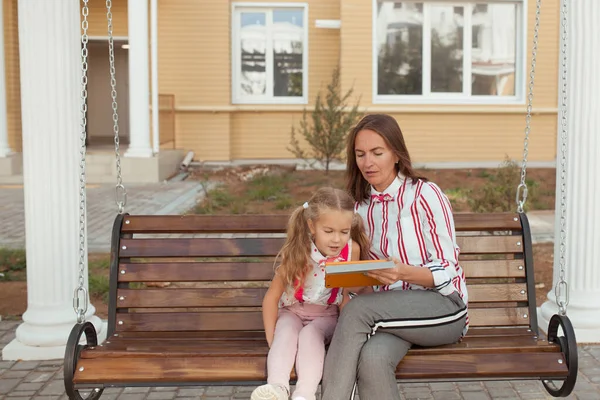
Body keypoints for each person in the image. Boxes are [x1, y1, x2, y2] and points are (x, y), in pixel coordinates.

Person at [321, 114, 469, 400]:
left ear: (397, 155)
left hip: (443, 307)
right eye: (360, 154)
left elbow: (446, 270)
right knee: (373, 358)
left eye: (377, 153)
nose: (368, 163)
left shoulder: (425, 195)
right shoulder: (360, 208)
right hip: (391, 315)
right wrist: (351, 280)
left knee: (357, 312)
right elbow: (367, 283)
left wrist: (402, 272)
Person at [251, 187, 370, 400]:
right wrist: (274, 340)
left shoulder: (351, 250)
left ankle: (304, 395)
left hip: (327, 316)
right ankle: (277, 388)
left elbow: (346, 297)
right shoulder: (299, 249)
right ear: (311, 226)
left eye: (344, 232)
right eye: (329, 231)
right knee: (286, 331)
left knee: (309, 336)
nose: (336, 240)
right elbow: (272, 297)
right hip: (292, 312)